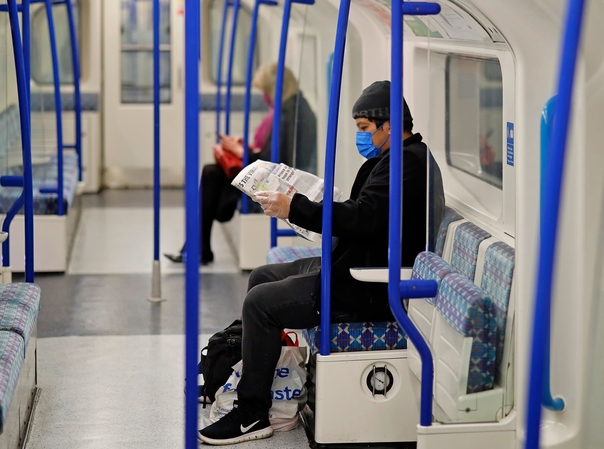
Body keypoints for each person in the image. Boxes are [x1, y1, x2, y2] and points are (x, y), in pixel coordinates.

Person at [197, 80, 444, 445]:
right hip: (355, 261)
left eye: (364, 129)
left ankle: (251, 413)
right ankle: (276, 395)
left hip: (369, 284)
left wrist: (294, 207)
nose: (360, 137)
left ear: (389, 124)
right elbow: (368, 217)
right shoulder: (394, 159)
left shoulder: (405, 165)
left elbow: (363, 217)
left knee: (260, 304)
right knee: (264, 275)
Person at [164, 63, 317, 265]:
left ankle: (198, 247)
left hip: (280, 181)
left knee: (211, 174)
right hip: (275, 172)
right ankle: (198, 247)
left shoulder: (289, 115)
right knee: (212, 173)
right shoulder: (291, 108)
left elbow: (275, 159)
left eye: (265, 91)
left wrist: (240, 152)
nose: (264, 97)